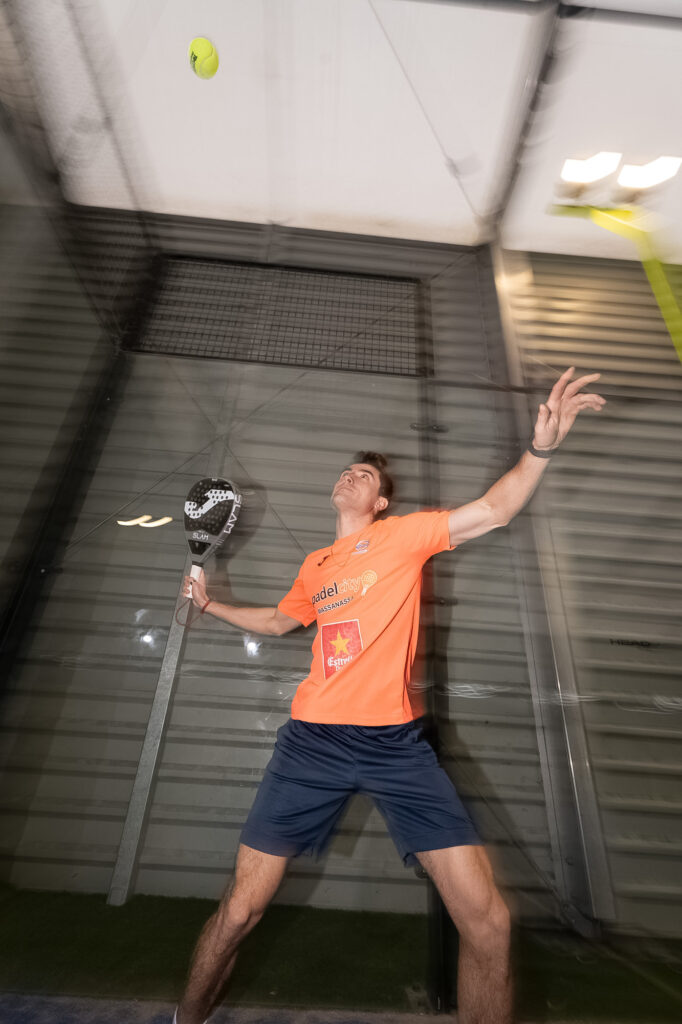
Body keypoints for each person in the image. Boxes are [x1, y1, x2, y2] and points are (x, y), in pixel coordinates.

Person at [175, 368, 605, 1024]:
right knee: (240, 910)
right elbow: (282, 622)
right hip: (311, 744)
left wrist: (540, 448)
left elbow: (496, 509)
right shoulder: (315, 565)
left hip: (395, 748)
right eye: (348, 470)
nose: (353, 476)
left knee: (489, 923)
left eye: (368, 476)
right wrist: (214, 605)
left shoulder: (404, 537)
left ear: (380, 504)